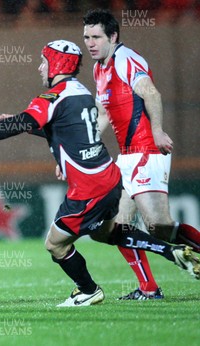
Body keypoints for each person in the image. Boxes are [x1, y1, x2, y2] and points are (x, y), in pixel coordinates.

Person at [0, 40, 200, 306]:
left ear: (56, 63)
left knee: (55, 244)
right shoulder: (81, 93)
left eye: (44, 61)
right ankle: (171, 252)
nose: (39, 67)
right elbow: (65, 131)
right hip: (109, 178)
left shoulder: (55, 95)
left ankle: (88, 290)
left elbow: (28, 122)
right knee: (105, 233)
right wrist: (21, 121)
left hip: (89, 187)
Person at [82, 9, 200, 300]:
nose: (90, 43)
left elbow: (152, 94)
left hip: (147, 150)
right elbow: (104, 115)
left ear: (113, 36)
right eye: (86, 37)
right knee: (116, 227)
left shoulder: (126, 59)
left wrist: (158, 130)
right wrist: (86, 146)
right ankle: (148, 288)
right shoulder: (99, 68)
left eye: (96, 37)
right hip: (126, 157)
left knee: (158, 227)